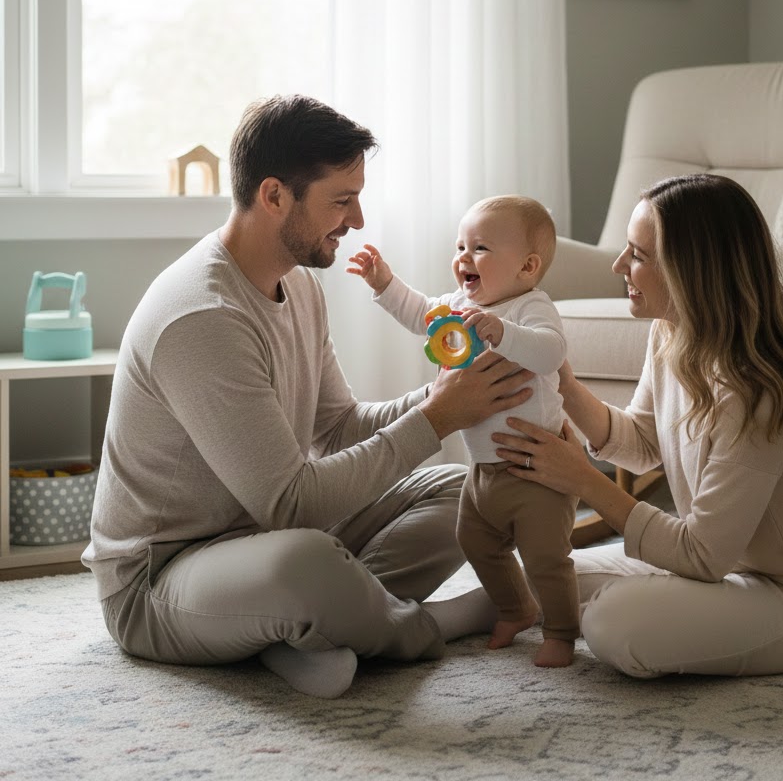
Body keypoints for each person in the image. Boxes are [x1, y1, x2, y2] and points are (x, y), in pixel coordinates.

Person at [82, 94, 535, 699]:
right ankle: (426, 624)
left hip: (265, 540)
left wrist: (446, 396)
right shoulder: (202, 317)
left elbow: (342, 426)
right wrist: (435, 418)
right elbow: (291, 505)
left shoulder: (297, 284)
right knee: (305, 561)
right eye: (341, 201)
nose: (358, 221)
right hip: (160, 580)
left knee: (468, 492)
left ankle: (308, 629)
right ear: (274, 197)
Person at [490, 173, 783, 679]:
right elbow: (644, 443)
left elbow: (703, 554)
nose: (620, 266)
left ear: (691, 271)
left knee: (611, 625)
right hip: (716, 573)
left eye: (638, 255)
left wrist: (582, 478)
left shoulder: (758, 386)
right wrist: (560, 381)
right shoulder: (673, 332)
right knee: (529, 573)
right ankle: (405, 624)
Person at [348, 196, 578, 668]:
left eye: (481, 248)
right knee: (474, 541)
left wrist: (501, 332)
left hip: (537, 469)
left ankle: (561, 631)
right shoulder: (457, 305)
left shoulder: (531, 307)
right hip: (485, 470)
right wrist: (385, 284)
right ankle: (516, 608)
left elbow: (552, 354)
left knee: (545, 557)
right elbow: (420, 313)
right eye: (461, 246)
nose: (464, 258)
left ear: (527, 266)